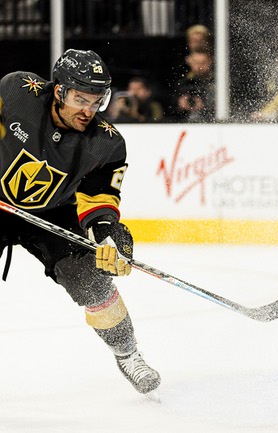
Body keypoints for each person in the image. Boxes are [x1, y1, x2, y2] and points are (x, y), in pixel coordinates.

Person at [0, 49, 160, 395]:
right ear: (59, 91)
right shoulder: (16, 92)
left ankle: (128, 354)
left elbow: (100, 197)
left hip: (53, 212)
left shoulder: (107, 143)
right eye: (80, 99)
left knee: (90, 281)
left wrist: (107, 234)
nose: (88, 110)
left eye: (97, 100)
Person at [176, 49, 215, 122]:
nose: (200, 67)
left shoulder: (218, 83)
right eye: (196, 63)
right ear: (190, 62)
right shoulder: (183, 83)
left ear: (210, 62)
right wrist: (179, 105)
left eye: (203, 63)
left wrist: (205, 105)